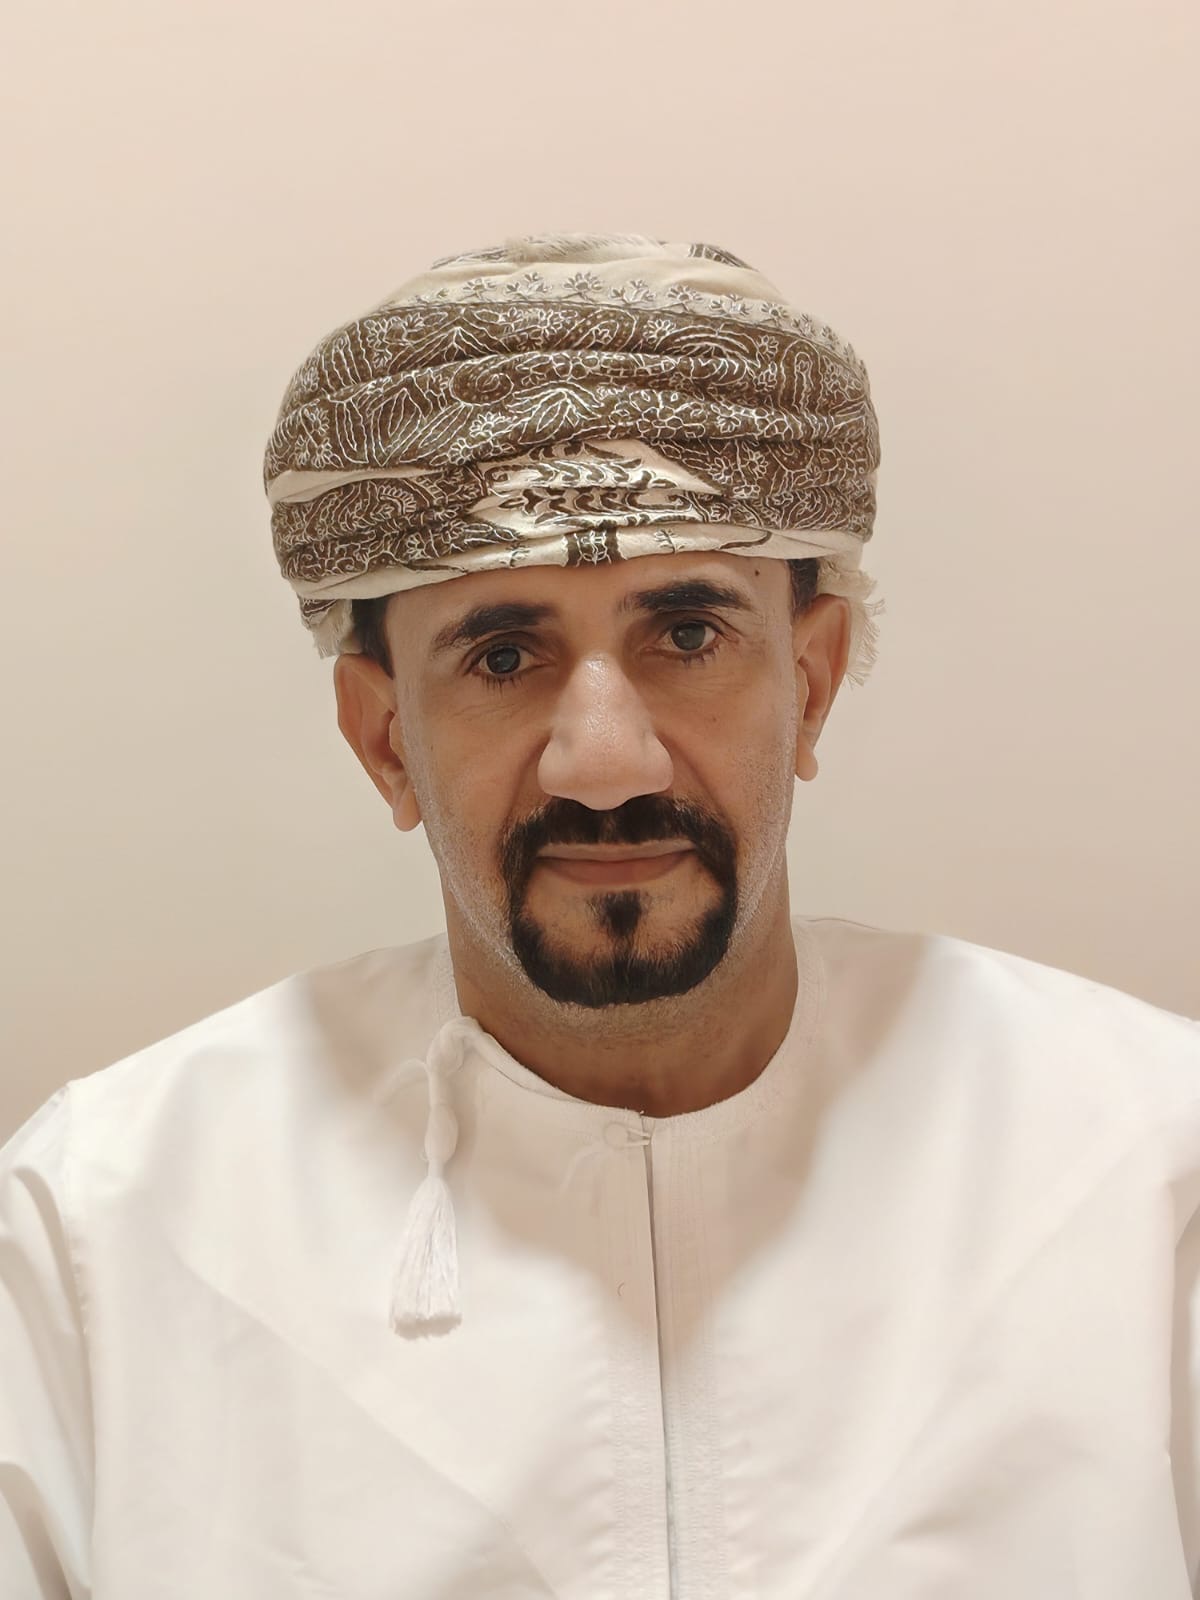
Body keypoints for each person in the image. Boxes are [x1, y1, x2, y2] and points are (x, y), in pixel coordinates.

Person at [2, 234, 1198, 1599]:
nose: (606, 762)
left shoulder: (1146, 1165)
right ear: (385, 738)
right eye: (504, 655)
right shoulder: (107, 1225)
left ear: (811, 684)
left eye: (687, 636)